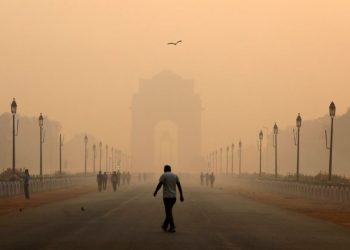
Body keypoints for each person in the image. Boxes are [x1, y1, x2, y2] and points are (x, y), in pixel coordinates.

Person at [153, 165, 184, 233]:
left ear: (165, 169)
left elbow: (160, 184)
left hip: (167, 197)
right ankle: (165, 225)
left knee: (168, 212)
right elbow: (179, 186)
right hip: (173, 197)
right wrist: (181, 195)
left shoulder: (164, 175)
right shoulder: (175, 176)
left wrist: (155, 191)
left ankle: (172, 227)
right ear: (170, 169)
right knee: (169, 211)